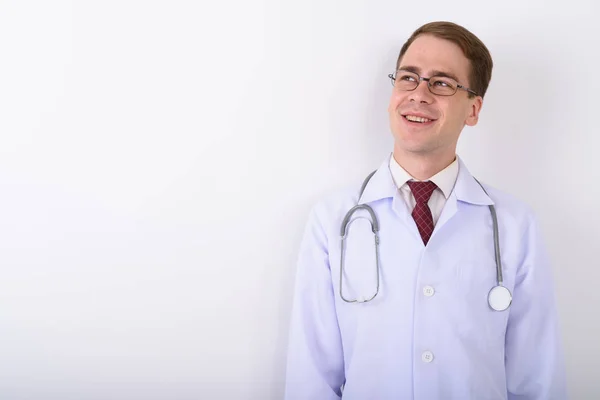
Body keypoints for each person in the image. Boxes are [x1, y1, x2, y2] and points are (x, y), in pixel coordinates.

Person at [283, 21, 567, 399]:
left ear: (473, 109)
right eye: (408, 78)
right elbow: (311, 378)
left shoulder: (515, 226)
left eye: (442, 83)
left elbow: (538, 379)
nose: (419, 94)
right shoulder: (332, 220)